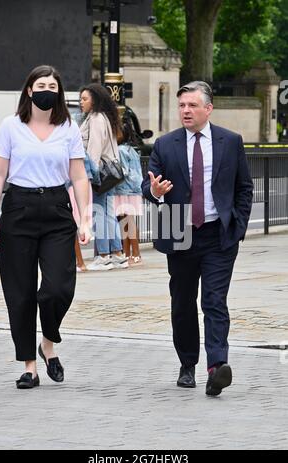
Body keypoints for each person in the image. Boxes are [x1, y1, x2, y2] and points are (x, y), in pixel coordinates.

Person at [142, 81, 253, 396]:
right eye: (182, 106)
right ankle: (187, 364)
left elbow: (244, 187)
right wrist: (154, 191)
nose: (186, 111)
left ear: (208, 108)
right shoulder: (165, 145)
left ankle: (217, 367)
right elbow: (146, 187)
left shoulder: (230, 142)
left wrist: (238, 225)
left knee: (214, 301)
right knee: (182, 303)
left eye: (192, 105)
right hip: (178, 229)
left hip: (219, 234)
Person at [0, 65, 90, 389]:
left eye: (53, 84)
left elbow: (78, 176)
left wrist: (85, 218)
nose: (47, 88)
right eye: (41, 84)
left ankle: (48, 342)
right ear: (30, 90)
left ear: (59, 92)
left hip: (57, 212)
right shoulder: (11, 126)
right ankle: (29, 366)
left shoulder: (68, 127)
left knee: (58, 288)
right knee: (19, 293)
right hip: (19, 209)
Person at [79, 83, 128, 270]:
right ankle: (117, 254)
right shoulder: (104, 117)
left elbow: (94, 149)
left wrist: (90, 174)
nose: (81, 102)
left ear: (95, 100)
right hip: (110, 173)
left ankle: (103, 256)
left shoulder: (96, 119)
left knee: (99, 213)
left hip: (99, 173)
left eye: (85, 99)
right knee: (108, 213)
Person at [114, 127, 144, 265]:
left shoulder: (120, 150)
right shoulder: (131, 150)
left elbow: (123, 171)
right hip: (135, 187)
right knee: (128, 221)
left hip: (124, 188)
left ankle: (135, 253)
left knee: (127, 221)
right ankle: (128, 253)